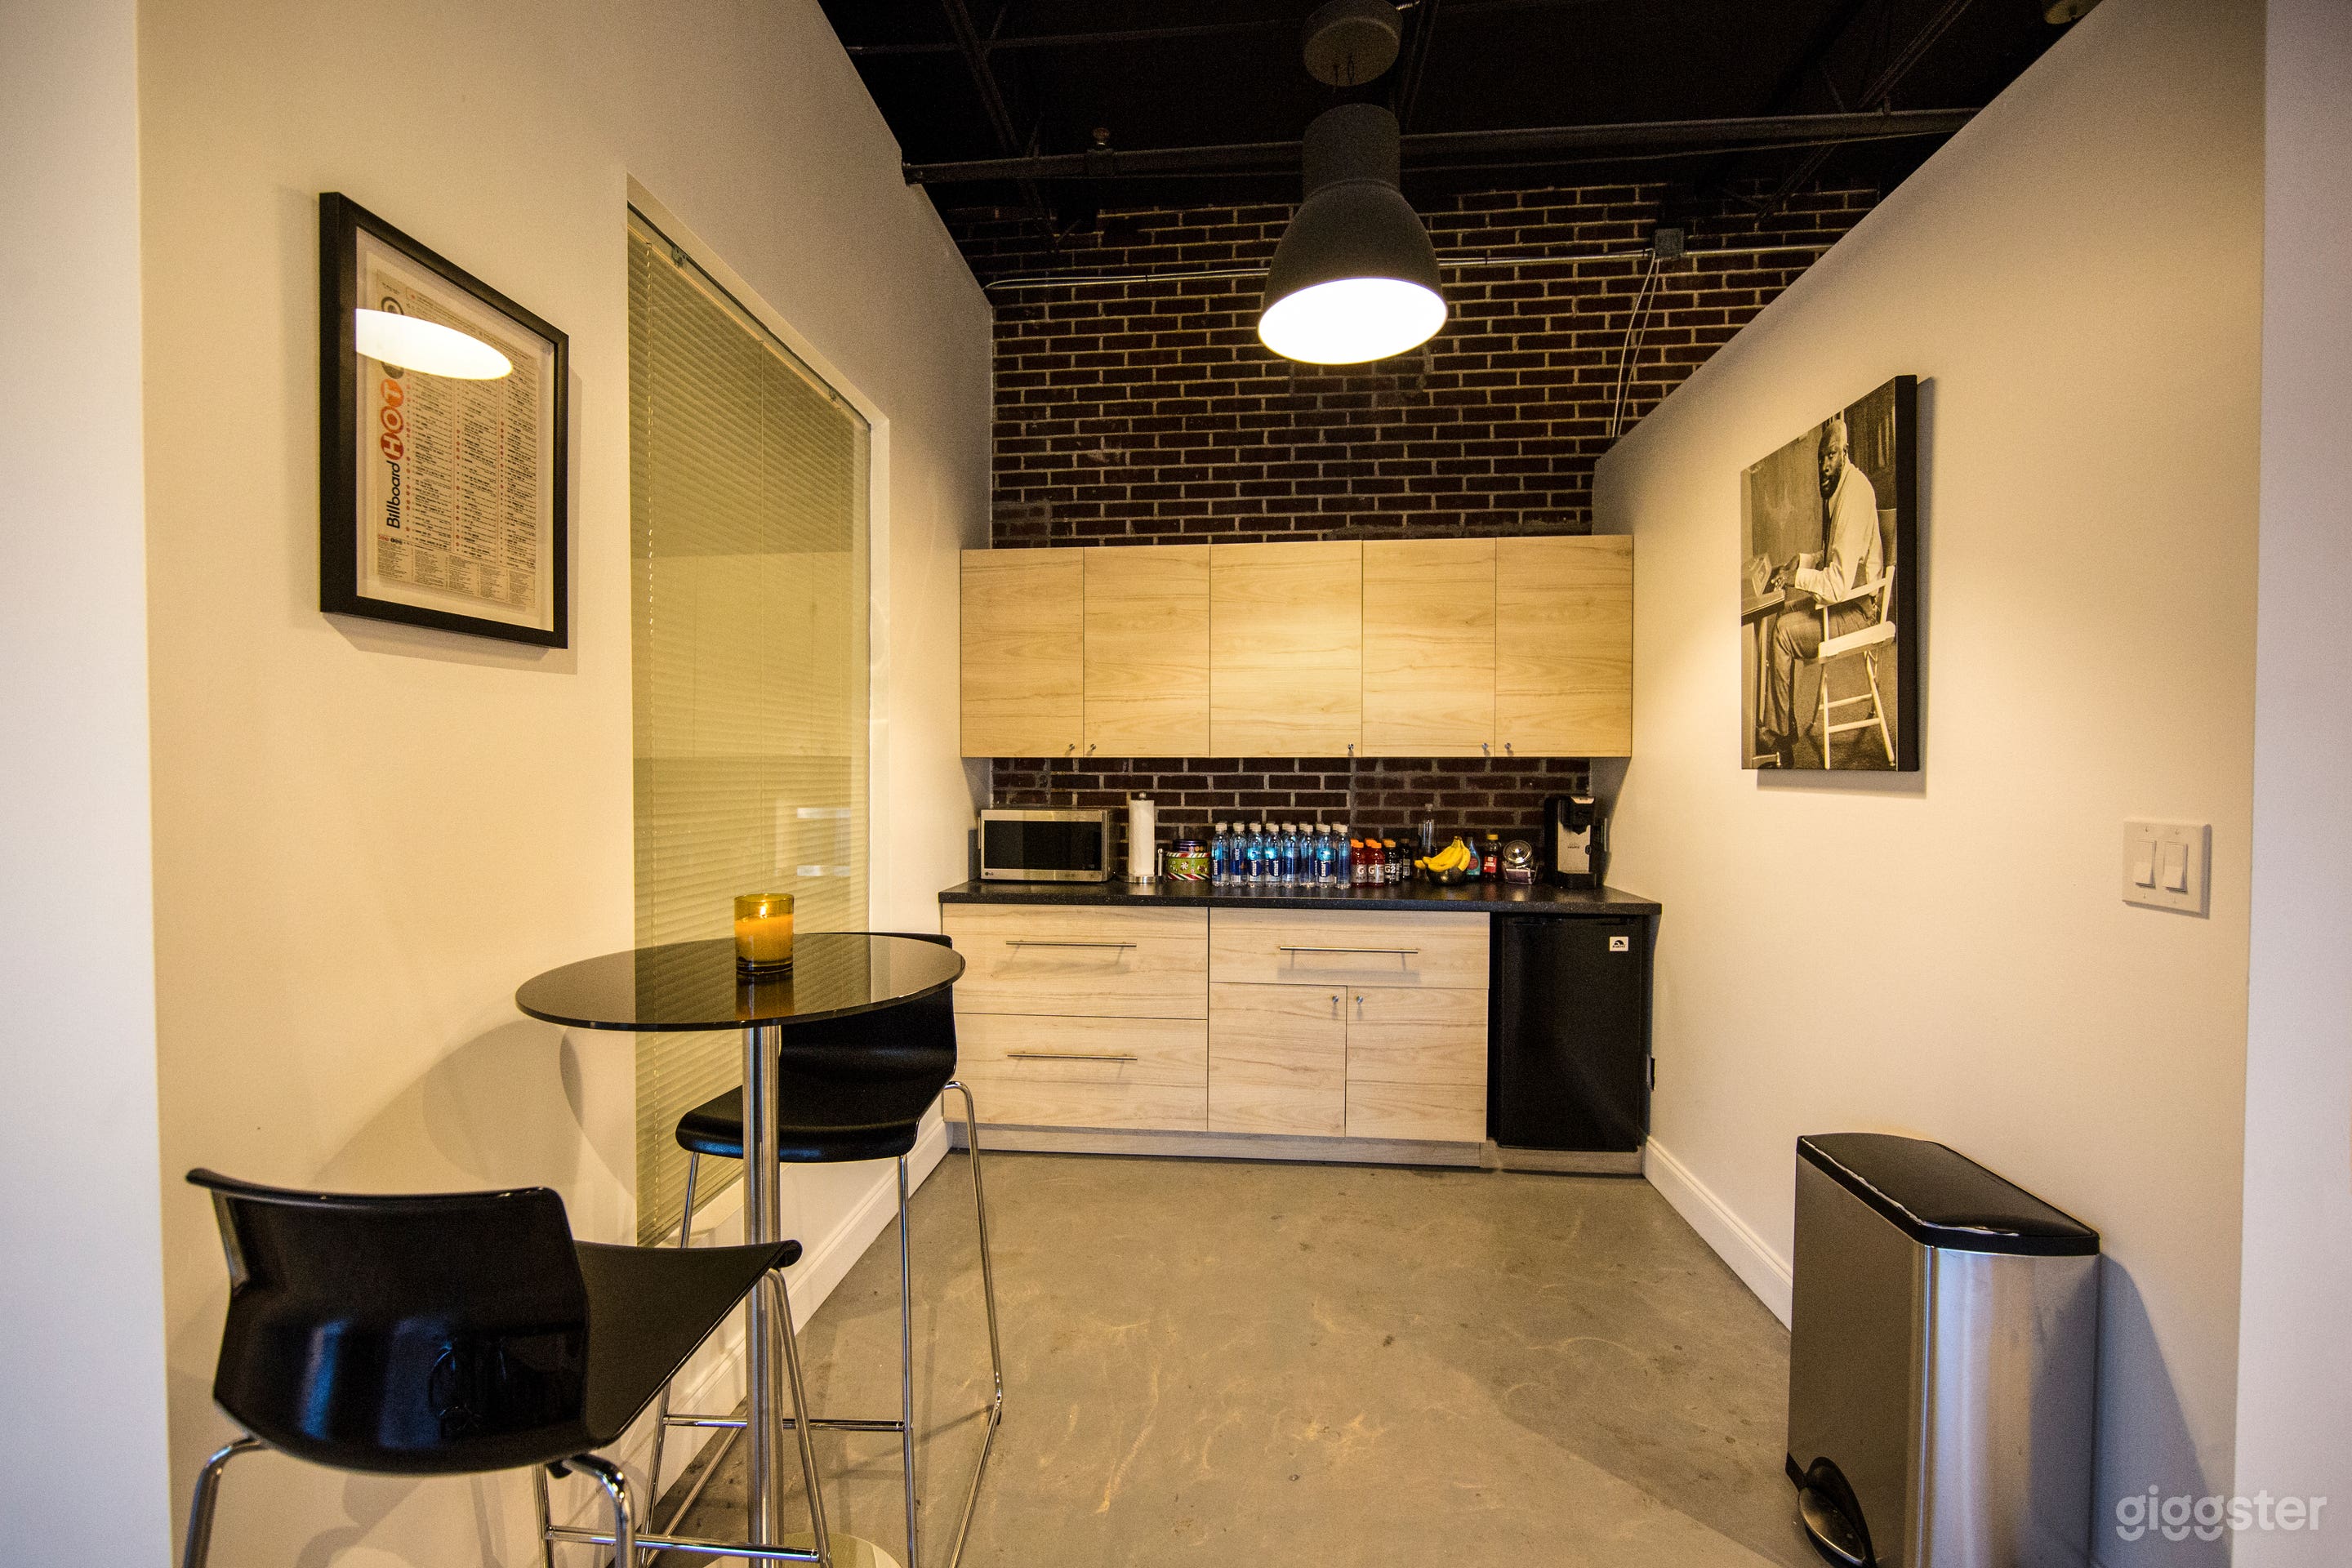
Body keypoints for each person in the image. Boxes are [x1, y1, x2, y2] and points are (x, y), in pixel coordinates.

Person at [1757, 415, 1882, 764]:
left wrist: (1798, 579)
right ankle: (1787, 723)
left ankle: (1781, 735)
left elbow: (1838, 586)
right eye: (1821, 459)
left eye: (1830, 456)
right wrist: (1802, 560)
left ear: (1845, 452)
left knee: (1782, 632)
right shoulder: (1843, 489)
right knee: (1784, 614)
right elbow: (1836, 559)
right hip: (1850, 602)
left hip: (1858, 612)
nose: (1825, 465)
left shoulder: (1854, 497)